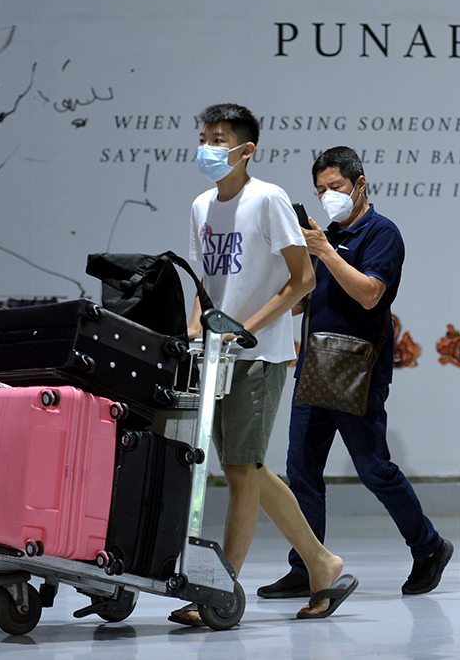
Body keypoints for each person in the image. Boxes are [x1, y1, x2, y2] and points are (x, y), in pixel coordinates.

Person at [171, 105, 357, 625]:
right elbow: (204, 284)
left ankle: (219, 586)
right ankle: (322, 562)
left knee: (238, 469)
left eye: (219, 139)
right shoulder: (201, 205)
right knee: (247, 468)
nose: (208, 147)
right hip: (216, 354)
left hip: (260, 354)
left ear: (246, 149)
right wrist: (195, 329)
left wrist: (245, 327)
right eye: (203, 136)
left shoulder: (268, 199)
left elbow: (303, 281)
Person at [257, 147, 453, 601]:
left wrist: (324, 251)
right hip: (313, 367)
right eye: (321, 190)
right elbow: (313, 299)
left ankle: (428, 547)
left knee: (374, 470)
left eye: (336, 188)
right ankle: (307, 566)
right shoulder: (326, 236)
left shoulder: (382, 233)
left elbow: (369, 294)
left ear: (360, 184)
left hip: (357, 369)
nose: (328, 197)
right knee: (300, 470)